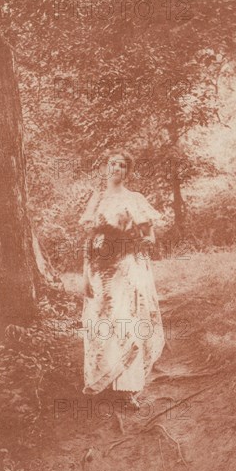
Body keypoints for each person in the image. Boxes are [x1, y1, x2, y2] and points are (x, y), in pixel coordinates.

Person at [79, 150, 165, 406]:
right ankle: (104, 381)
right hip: (99, 270)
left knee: (126, 322)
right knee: (101, 323)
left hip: (126, 267)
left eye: (122, 165)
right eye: (112, 164)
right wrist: (85, 273)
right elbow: (89, 238)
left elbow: (150, 236)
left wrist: (130, 243)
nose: (116, 168)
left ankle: (128, 389)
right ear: (106, 168)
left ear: (128, 171)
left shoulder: (134, 199)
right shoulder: (96, 199)